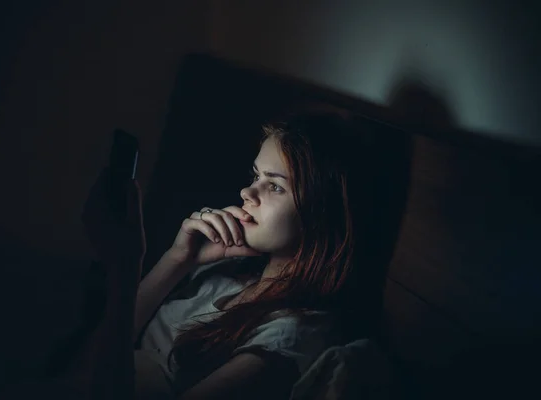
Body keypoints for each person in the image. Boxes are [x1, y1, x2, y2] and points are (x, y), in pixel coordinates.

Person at [77, 113, 375, 400]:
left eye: (274, 186)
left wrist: (125, 267)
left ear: (322, 214)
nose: (247, 191)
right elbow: (98, 353)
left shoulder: (291, 335)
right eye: (255, 175)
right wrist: (179, 259)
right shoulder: (226, 270)